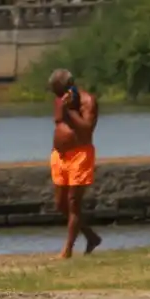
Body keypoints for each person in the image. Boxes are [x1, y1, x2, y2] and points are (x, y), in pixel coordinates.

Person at [48, 68, 102, 259]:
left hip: (80, 154)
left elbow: (87, 129)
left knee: (73, 202)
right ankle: (91, 237)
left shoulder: (88, 101)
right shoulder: (59, 99)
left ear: (69, 87)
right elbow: (58, 122)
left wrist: (70, 111)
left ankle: (67, 250)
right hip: (60, 156)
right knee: (60, 204)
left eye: (58, 91)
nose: (57, 96)